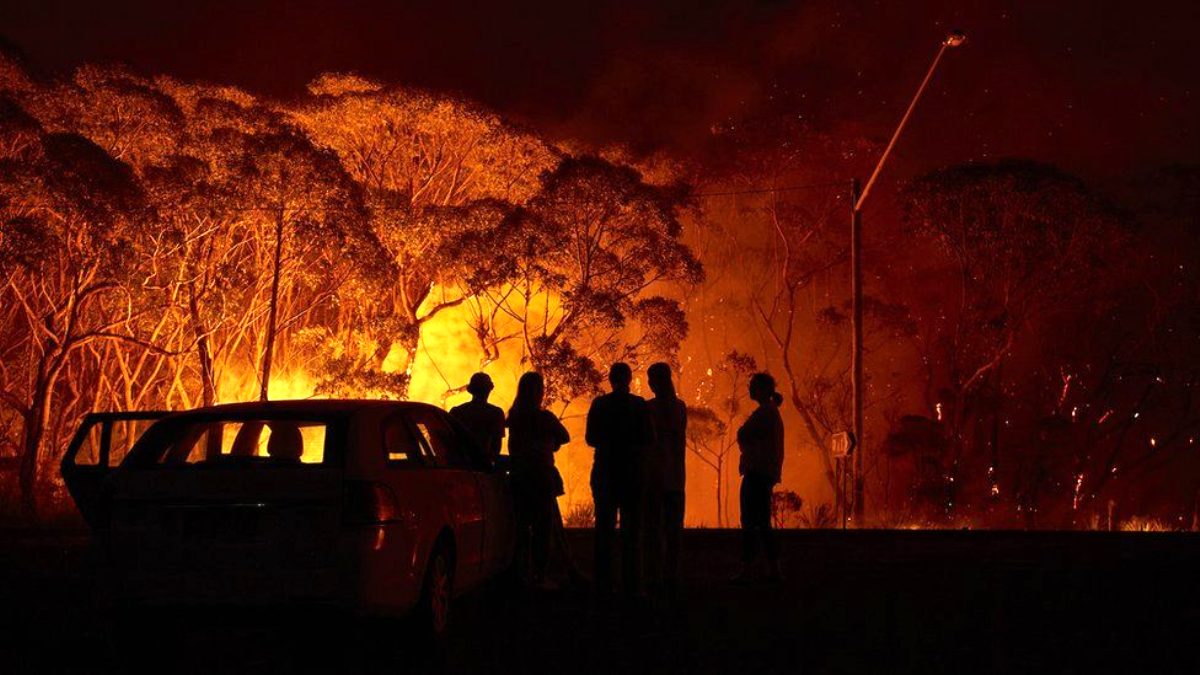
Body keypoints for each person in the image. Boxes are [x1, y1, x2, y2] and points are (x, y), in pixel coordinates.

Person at [586, 362, 654, 595]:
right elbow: (649, 438)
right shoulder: (639, 405)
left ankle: (604, 583)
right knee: (632, 531)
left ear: (610, 380)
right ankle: (633, 583)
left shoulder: (600, 404)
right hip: (632, 474)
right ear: (629, 379)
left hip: (605, 472)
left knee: (604, 530)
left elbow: (591, 438)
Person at [506, 371, 570, 588]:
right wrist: (550, 444)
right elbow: (565, 436)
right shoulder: (544, 418)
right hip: (541, 477)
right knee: (543, 528)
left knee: (521, 527)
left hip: (519, 477)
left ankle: (520, 574)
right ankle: (540, 575)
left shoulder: (513, 417)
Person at [733, 372, 785, 583]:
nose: (750, 390)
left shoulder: (765, 413)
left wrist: (745, 442)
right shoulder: (770, 412)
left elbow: (744, 434)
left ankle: (751, 569)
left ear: (763, 389)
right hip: (763, 472)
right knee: (761, 522)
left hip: (757, 472)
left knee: (751, 521)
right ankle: (771, 569)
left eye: (754, 387)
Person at [643, 362, 687, 595]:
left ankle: (654, 575)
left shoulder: (648, 408)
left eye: (651, 379)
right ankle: (671, 575)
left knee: (653, 530)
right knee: (673, 531)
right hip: (676, 480)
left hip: (654, 479)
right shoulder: (680, 407)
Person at [449, 372, 506, 461]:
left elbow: (450, 441)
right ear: (490, 388)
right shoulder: (496, 413)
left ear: (471, 389)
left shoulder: (457, 411)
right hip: (483, 464)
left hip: (461, 463)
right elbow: (496, 445)